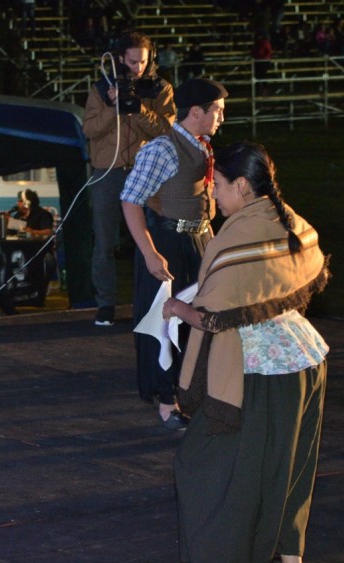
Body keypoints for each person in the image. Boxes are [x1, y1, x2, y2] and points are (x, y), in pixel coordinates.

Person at [162, 141, 330, 563]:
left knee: (211, 470)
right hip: (304, 356)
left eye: (217, 186)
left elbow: (213, 316)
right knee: (286, 468)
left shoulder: (239, 232)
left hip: (259, 371)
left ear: (241, 185)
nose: (213, 195)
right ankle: (291, 558)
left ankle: (224, 556)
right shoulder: (288, 217)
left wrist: (178, 308)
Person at [120, 77, 228, 430]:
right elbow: (131, 200)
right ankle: (167, 401)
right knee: (165, 323)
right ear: (196, 111)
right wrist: (150, 253)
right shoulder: (161, 149)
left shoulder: (202, 146)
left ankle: (191, 391)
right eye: (218, 111)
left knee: (197, 319)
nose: (221, 118)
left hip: (197, 242)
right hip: (167, 244)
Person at [83, 30, 176, 327]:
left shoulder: (160, 88)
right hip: (107, 172)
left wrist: (137, 108)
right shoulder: (101, 88)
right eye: (132, 61)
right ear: (121, 58)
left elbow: (167, 130)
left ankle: (153, 301)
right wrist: (114, 106)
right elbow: (89, 130)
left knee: (152, 238)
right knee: (104, 241)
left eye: (143, 62)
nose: (138, 67)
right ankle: (105, 304)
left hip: (145, 172)